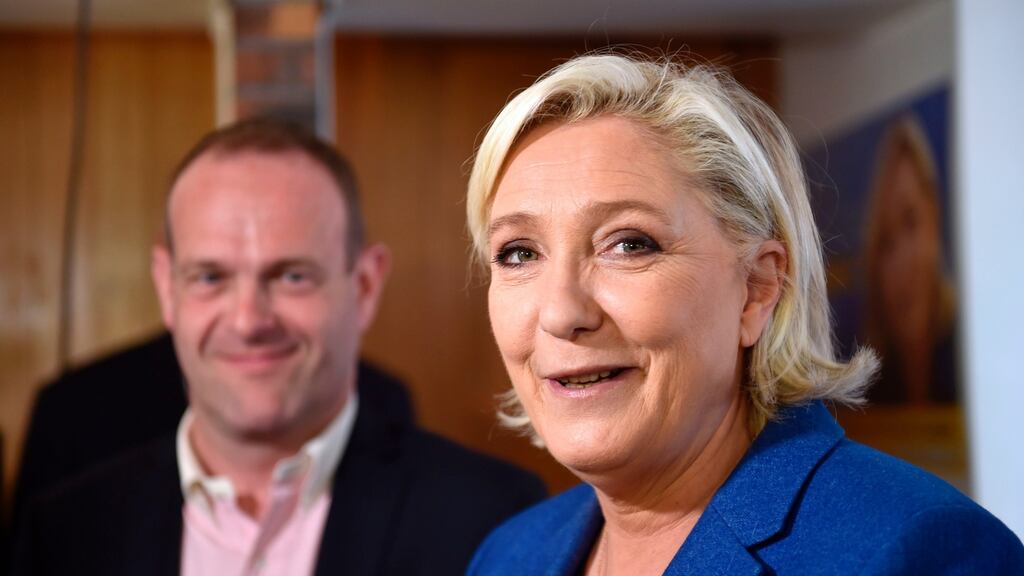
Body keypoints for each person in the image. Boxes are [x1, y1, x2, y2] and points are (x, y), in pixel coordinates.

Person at [463, 54, 1024, 574]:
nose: (561, 312)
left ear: (757, 288)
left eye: (629, 244)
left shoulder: (916, 550)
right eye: (519, 253)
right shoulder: (508, 555)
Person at [12, 118, 545, 575]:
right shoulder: (62, 536)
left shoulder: (498, 523)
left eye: (291, 276)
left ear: (364, 286)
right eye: (210, 277)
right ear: (166, 289)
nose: (248, 321)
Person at [863, 114, 957, 405]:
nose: (902, 264)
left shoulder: (975, 350)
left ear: (934, 217)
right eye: (887, 242)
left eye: (911, 221)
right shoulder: (871, 396)